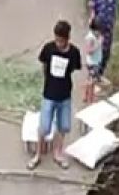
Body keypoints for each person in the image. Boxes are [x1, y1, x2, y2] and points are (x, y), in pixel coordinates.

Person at [30, 20, 82, 170]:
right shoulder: (49, 49)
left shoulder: (74, 53)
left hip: (65, 95)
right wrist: (48, 80)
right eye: (57, 40)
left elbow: (73, 69)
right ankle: (38, 154)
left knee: (64, 126)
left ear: (67, 39)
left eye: (61, 40)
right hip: (49, 95)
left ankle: (57, 152)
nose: (58, 43)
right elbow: (44, 65)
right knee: (44, 127)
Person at [87, 0, 118, 80]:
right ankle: (93, 77)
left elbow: (114, 6)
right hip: (98, 26)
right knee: (95, 53)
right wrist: (93, 20)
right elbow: (92, 7)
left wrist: (115, 21)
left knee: (106, 53)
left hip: (109, 27)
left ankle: (99, 75)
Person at [83, 19, 105, 104]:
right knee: (92, 82)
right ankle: (91, 99)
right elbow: (89, 51)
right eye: (98, 31)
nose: (99, 33)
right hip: (92, 63)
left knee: (89, 79)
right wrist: (99, 43)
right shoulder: (90, 38)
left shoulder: (96, 36)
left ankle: (86, 96)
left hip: (95, 62)